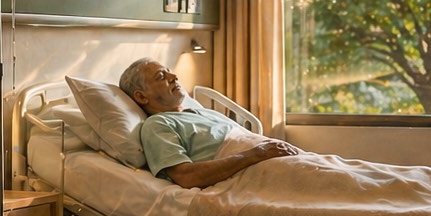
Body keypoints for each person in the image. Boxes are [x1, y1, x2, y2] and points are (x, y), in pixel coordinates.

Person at [118, 57, 302, 188]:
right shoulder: (158, 125)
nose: (174, 77)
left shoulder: (202, 113)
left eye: (169, 72)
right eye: (161, 77)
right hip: (258, 170)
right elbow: (185, 176)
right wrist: (255, 154)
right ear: (141, 97)